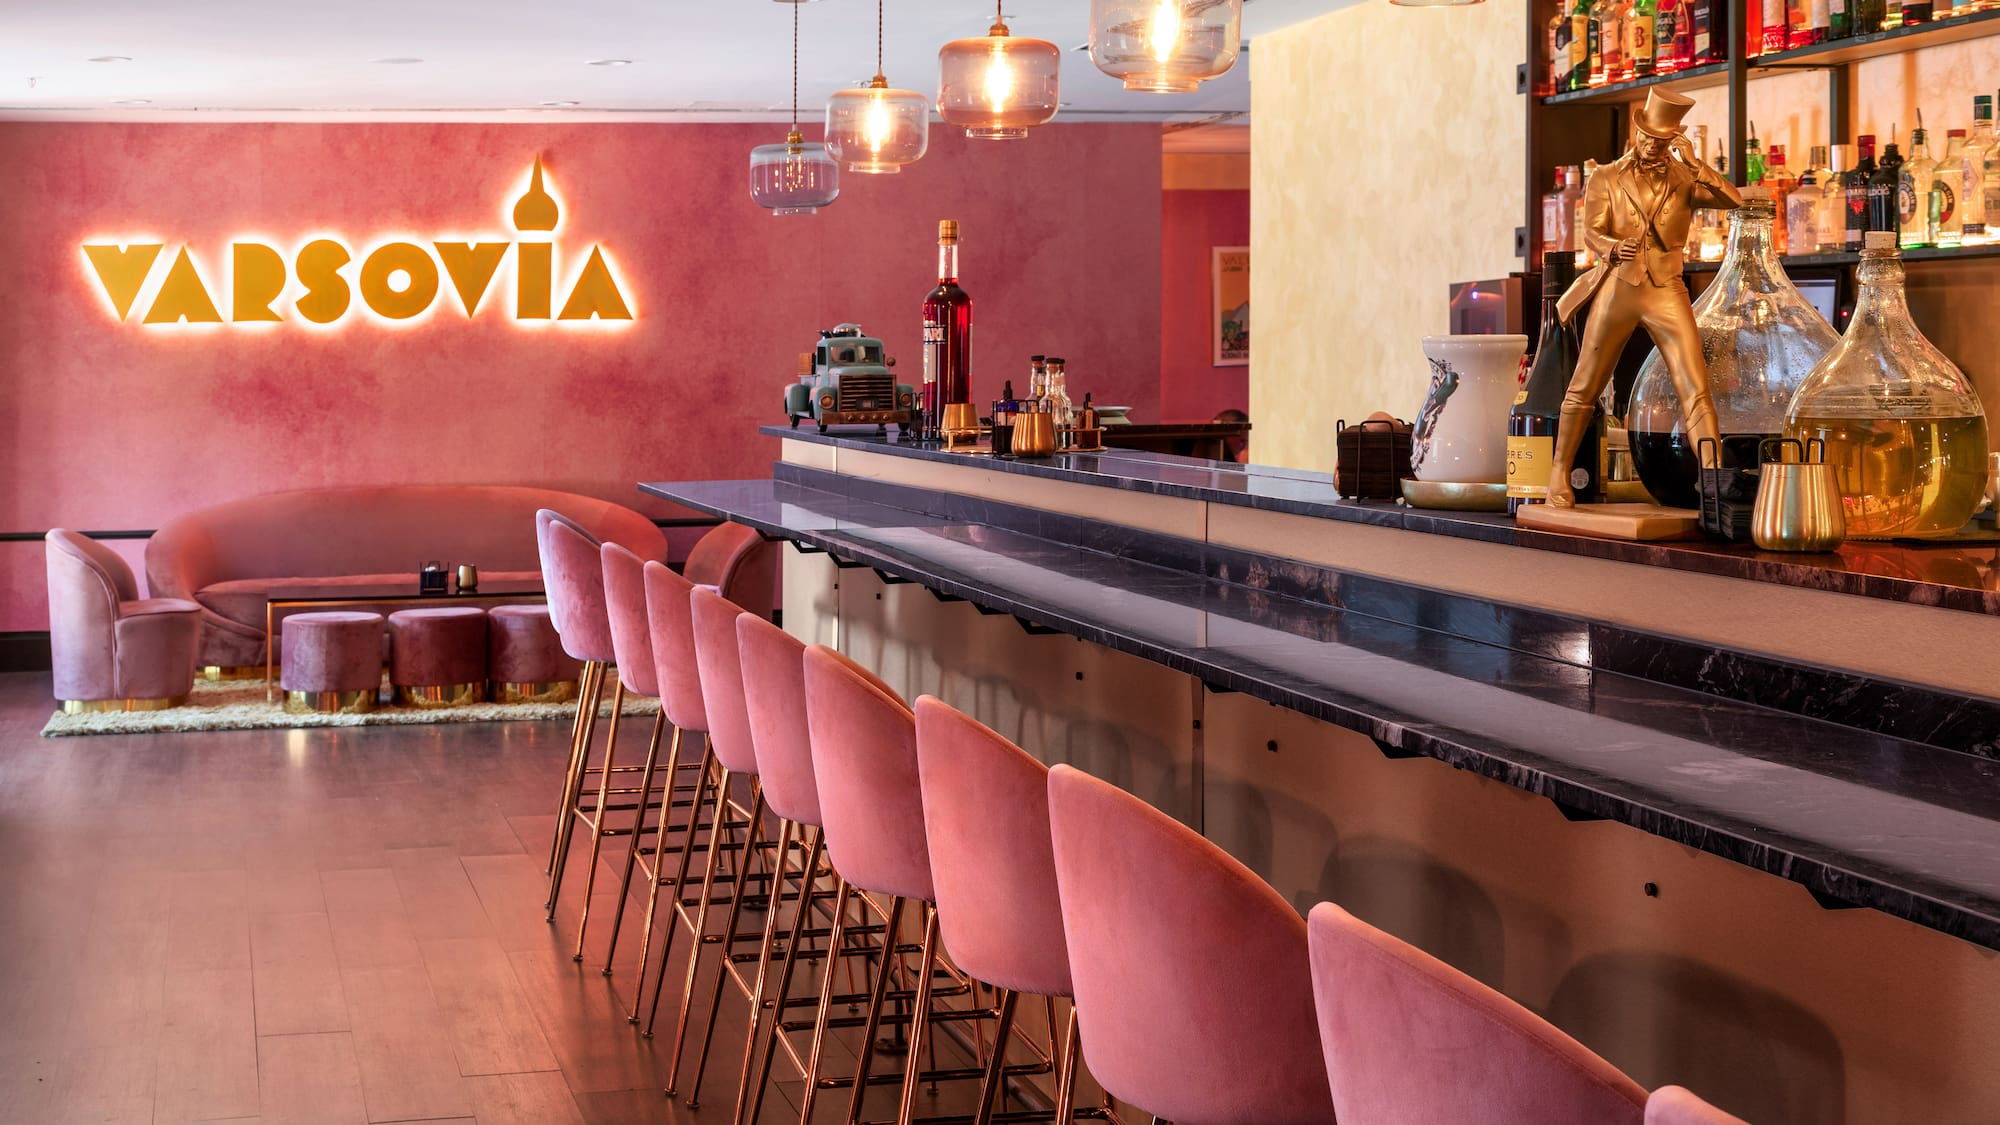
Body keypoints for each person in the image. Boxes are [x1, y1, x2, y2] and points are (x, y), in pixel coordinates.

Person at [1551, 88, 1743, 507]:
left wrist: (1697, 166)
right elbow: (1591, 231)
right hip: (1621, 284)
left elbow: (1736, 202)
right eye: (1646, 137)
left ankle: (1711, 481)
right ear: (1636, 133)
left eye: (1660, 141)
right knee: (1586, 383)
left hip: (1668, 289)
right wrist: (1608, 247)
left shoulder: (1684, 178)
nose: (1651, 146)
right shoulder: (1605, 176)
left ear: (1673, 140)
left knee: (1696, 388)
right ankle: (1558, 476)